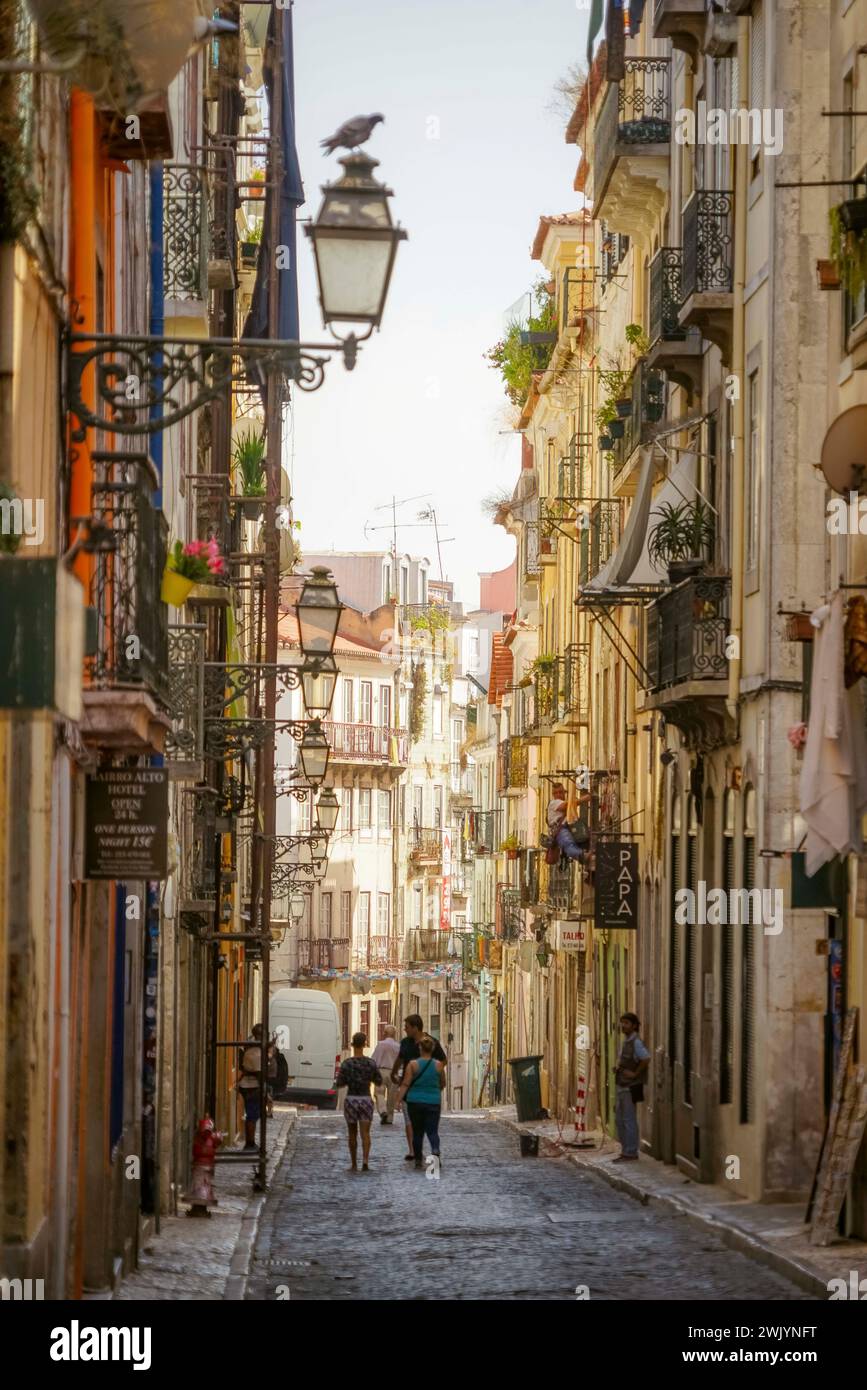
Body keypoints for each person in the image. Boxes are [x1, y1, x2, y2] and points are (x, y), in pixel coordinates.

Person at [391, 1014, 448, 1161]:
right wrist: (393, 1072)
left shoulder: (431, 1043)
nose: (405, 1029)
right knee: (417, 1125)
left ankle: (417, 1156)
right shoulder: (405, 1043)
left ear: (416, 1028)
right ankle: (418, 1151)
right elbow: (400, 1058)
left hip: (415, 1093)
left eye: (407, 1027)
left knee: (418, 1128)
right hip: (422, 1095)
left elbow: (443, 1060)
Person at [336, 1033, 382, 1172]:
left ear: (352, 1044)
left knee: (352, 1133)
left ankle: (354, 1163)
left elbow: (340, 1083)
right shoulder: (370, 1063)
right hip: (366, 1099)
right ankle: (366, 1161)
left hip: (351, 1099)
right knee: (365, 1133)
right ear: (364, 1044)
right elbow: (378, 1081)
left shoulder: (347, 1063)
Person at [612, 1012, 650, 1163]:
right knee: (620, 1119)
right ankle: (625, 1150)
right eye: (622, 1023)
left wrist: (634, 1074)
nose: (623, 1026)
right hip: (621, 1084)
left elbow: (646, 1058)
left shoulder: (636, 1042)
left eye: (626, 1023)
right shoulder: (626, 1041)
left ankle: (631, 1152)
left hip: (630, 1087)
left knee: (628, 1119)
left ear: (634, 1025)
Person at [546, 781, 592, 864]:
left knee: (586, 834)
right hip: (560, 830)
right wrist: (584, 799)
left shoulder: (567, 801)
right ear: (553, 795)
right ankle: (582, 855)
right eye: (556, 793)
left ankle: (589, 851)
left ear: (564, 792)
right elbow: (566, 805)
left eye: (560, 792)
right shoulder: (553, 803)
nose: (558, 794)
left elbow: (570, 804)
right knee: (568, 842)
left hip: (569, 826)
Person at [238, 1023, 265, 1151]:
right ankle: (249, 1143)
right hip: (252, 1086)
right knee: (252, 1115)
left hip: (248, 1085)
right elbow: (259, 1072)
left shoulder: (251, 1049)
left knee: (253, 1115)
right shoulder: (256, 1052)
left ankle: (251, 1142)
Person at [370, 1024, 401, 1124]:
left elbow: (373, 1059)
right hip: (394, 1072)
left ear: (385, 1033)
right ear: (394, 1034)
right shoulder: (398, 1046)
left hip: (381, 1071)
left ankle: (383, 1111)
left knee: (379, 1093)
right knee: (392, 1096)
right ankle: (389, 1118)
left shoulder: (381, 1044)